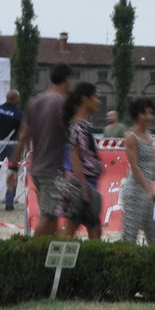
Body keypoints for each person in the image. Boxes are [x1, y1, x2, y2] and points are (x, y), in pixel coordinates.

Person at [11, 64, 74, 237]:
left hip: (37, 168)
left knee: (51, 219)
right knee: (49, 217)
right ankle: (29, 254)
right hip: (53, 169)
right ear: (67, 79)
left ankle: (46, 258)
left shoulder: (34, 102)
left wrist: (13, 167)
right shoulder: (63, 104)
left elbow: (23, 137)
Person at [118, 96, 155, 246]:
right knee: (130, 237)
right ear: (136, 114)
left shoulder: (149, 136)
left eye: (151, 113)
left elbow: (150, 165)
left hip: (149, 192)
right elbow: (135, 167)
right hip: (134, 193)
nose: (148, 117)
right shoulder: (131, 137)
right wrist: (149, 189)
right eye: (144, 113)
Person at [62, 82, 105, 240]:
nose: (98, 101)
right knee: (76, 228)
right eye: (96, 97)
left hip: (88, 182)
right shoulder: (79, 127)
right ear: (85, 99)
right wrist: (84, 187)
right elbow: (75, 158)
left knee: (92, 228)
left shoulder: (82, 125)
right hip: (85, 183)